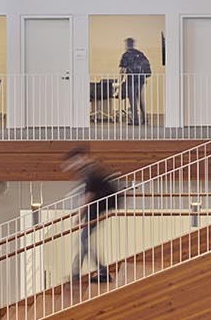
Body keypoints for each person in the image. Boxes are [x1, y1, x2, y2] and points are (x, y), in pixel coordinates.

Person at [64, 148, 121, 282]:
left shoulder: (90, 172)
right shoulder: (90, 170)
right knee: (83, 240)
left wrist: (79, 216)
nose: (72, 165)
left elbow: (89, 195)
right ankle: (76, 273)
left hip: (98, 206)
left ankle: (102, 272)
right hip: (97, 206)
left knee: (84, 240)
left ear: (82, 158)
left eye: (74, 161)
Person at [118, 37, 152, 126]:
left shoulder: (126, 55)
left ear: (127, 44)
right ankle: (145, 119)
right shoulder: (140, 54)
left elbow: (122, 70)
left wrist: (120, 81)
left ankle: (136, 120)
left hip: (131, 80)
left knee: (132, 99)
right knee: (140, 99)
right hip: (140, 80)